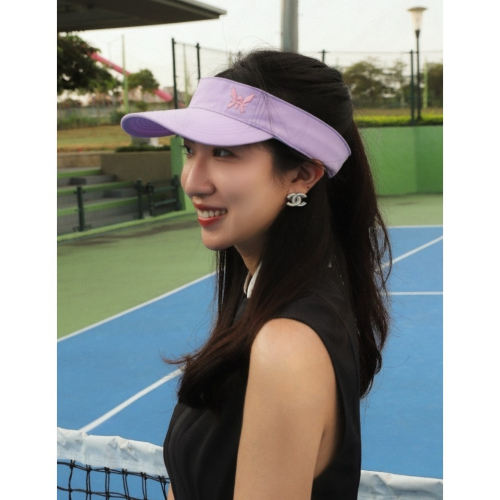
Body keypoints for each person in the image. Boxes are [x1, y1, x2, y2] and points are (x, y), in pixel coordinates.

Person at [121, 49, 392, 500]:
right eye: (190, 150)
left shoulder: (287, 345)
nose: (192, 181)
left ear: (302, 175)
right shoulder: (266, 297)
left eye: (225, 153)